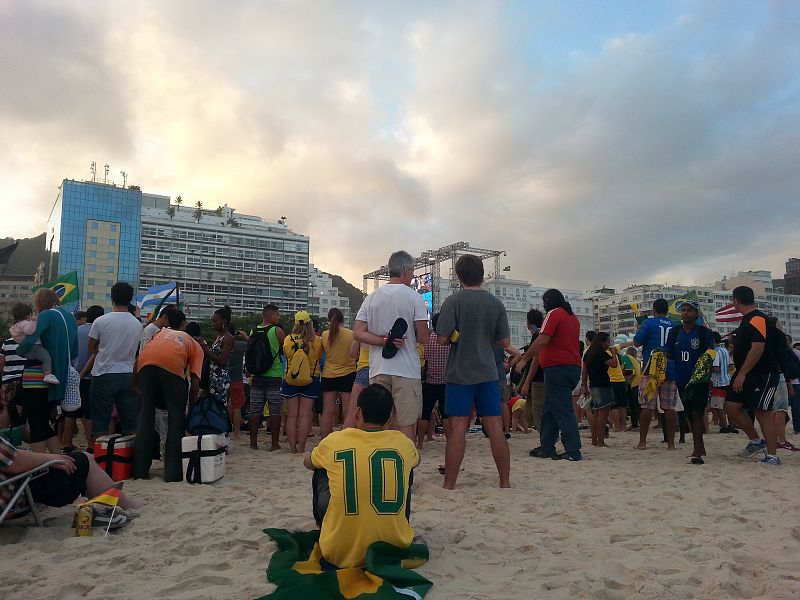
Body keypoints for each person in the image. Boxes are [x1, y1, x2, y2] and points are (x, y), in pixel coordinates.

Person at [303, 384, 419, 569]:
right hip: (394, 547)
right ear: (389, 420)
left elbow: (307, 462)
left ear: (357, 413)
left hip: (338, 552)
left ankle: (322, 525)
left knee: (321, 466)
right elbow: (416, 461)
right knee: (407, 467)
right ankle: (397, 523)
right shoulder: (404, 444)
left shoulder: (335, 441)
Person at [436, 254, 512, 488]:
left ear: (459, 276)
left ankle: (450, 483)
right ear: (481, 274)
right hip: (488, 372)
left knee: (458, 428)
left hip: (460, 373)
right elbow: (504, 340)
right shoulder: (495, 303)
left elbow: (441, 339)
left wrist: (458, 335)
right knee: (495, 427)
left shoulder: (452, 302)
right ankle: (504, 482)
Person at [354, 250, 429, 442]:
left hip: (378, 368)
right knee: (406, 426)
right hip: (406, 371)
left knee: (379, 425)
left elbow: (358, 332)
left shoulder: (371, 298)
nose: (412, 275)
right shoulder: (414, 298)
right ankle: (404, 469)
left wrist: (383, 341)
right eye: (412, 271)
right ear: (405, 270)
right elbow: (423, 338)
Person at [133, 310, 203, 481]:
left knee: (145, 416)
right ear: (184, 324)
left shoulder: (159, 333)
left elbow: (139, 360)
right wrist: (191, 406)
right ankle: (173, 473)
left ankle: (140, 471)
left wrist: (136, 386)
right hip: (172, 368)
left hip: (145, 366)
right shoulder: (194, 344)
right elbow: (195, 383)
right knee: (176, 419)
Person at [1, 438, 143, 522]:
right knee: (83, 459)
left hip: (14, 488)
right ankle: (128, 505)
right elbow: (15, 462)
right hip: (14, 493)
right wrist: (50, 458)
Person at [724, 286, 782, 465]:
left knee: (762, 412)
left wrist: (742, 373)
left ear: (736, 300)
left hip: (761, 374)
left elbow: (758, 348)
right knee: (731, 406)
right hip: (747, 374)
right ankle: (756, 441)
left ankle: (772, 456)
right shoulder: (747, 320)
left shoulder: (757, 318)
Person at [525, 289, 583, 461]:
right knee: (550, 409)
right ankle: (547, 447)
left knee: (563, 411)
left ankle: (573, 450)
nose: (543, 306)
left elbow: (542, 340)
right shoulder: (573, 318)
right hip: (572, 367)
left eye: (544, 302)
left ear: (548, 301)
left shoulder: (554, 313)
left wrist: (524, 358)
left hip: (557, 368)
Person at [85, 282, 142, 443]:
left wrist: (105, 351)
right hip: (128, 375)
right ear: (130, 299)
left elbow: (91, 348)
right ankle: (131, 461)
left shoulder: (101, 321)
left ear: (112, 298)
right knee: (130, 424)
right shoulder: (137, 324)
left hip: (104, 373)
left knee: (100, 424)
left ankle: (101, 461)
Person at [661, 301, 714, 464]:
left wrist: (703, 373)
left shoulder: (704, 332)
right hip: (681, 378)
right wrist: (660, 354)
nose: (685, 313)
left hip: (698, 380)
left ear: (696, 313)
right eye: (683, 310)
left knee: (698, 413)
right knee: (689, 414)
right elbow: (669, 352)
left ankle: (697, 450)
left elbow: (710, 354)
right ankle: (701, 446)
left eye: (689, 310)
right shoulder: (675, 331)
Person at [621, 299, 678, 450]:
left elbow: (637, 343)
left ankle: (642, 442)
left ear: (654, 310)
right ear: (667, 311)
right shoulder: (675, 324)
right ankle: (671, 444)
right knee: (669, 408)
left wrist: (640, 329)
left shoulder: (649, 323)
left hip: (650, 369)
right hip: (670, 369)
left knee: (647, 405)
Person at [17, 288, 78, 410]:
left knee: (37, 420)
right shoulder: (70, 317)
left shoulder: (46, 315)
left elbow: (30, 339)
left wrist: (20, 351)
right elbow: (75, 350)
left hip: (44, 376)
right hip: (64, 373)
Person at [282, 311, 323, 454]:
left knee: (292, 415)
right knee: (305, 415)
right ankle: (301, 448)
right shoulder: (317, 340)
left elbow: (287, 355)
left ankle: (292, 448)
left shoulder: (288, 339)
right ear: (310, 323)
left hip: (290, 378)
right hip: (311, 378)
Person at [66, 304, 104, 452]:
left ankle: (66, 443)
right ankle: (90, 444)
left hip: (73, 374)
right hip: (89, 376)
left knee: (71, 412)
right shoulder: (98, 333)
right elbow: (96, 355)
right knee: (89, 411)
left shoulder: (76, 330)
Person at [247, 304, 285, 451]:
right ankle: (274, 444)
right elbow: (286, 349)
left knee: (255, 410)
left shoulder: (253, 330)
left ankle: (253, 443)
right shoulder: (277, 331)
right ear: (271, 315)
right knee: (275, 410)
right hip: (274, 375)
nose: (279, 317)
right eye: (277, 314)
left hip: (257, 376)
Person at [320, 308, 356, 439]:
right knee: (348, 410)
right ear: (343, 318)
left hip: (329, 374)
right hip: (348, 373)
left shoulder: (324, 335)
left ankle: (325, 440)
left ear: (329, 319)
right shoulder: (351, 334)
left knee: (327, 411)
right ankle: (347, 439)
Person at [418, 313, 449, 450]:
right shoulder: (448, 342)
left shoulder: (427, 340)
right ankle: (450, 441)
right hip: (445, 382)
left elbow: (423, 360)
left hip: (429, 382)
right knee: (446, 415)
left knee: (425, 413)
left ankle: (420, 443)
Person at [580, 332, 617, 447]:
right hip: (603, 385)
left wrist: (584, 386)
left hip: (593, 385)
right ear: (601, 342)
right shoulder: (602, 353)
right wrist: (614, 353)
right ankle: (600, 442)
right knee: (603, 414)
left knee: (596, 413)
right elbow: (614, 364)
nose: (608, 345)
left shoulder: (588, 353)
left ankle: (594, 440)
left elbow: (584, 371)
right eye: (607, 342)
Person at [9, 303, 58, 384]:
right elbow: (29, 331)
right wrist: (33, 320)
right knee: (47, 358)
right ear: (28, 315)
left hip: (28, 350)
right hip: (35, 347)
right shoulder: (25, 323)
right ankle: (48, 375)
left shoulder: (17, 325)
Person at [517, 309, 546, 438]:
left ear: (528, 322)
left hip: (538, 379)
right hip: (540, 377)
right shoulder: (542, 334)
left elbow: (536, 360)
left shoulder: (537, 336)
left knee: (537, 411)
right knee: (530, 411)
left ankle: (546, 439)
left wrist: (526, 382)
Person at [200, 306, 234, 406]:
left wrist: (206, 349)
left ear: (223, 321)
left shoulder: (228, 338)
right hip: (212, 377)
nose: (212, 324)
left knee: (217, 406)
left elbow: (222, 360)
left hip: (220, 378)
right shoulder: (219, 336)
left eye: (214, 321)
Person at [226, 322, 249, 441]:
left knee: (226, 405)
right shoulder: (240, 345)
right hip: (236, 379)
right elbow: (252, 345)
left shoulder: (221, 343)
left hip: (223, 379)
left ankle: (226, 430)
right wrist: (245, 335)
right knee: (236, 407)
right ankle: (236, 434)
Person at [709, 331, 735, 433]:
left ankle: (724, 427)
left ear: (713, 340)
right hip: (727, 380)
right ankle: (731, 426)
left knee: (719, 407)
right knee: (727, 406)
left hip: (718, 382)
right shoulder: (725, 350)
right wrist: (724, 371)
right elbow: (731, 366)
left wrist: (708, 369)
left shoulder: (714, 352)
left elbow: (716, 368)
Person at [621, 347, 642, 430]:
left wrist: (622, 374)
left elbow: (630, 371)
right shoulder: (637, 361)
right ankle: (638, 423)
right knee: (638, 405)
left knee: (633, 405)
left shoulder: (625, 357)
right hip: (640, 383)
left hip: (634, 384)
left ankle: (634, 424)